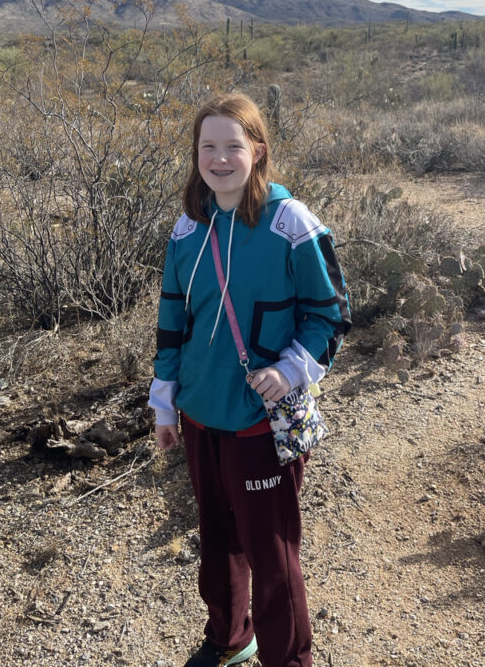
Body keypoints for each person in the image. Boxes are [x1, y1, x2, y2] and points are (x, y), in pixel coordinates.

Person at [149, 93, 351, 667]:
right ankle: (229, 638)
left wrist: (291, 370)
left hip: (260, 420)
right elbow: (172, 320)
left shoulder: (290, 223)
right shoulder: (188, 227)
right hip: (200, 412)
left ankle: (288, 661)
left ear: (256, 152)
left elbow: (330, 312)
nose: (218, 158)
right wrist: (165, 403)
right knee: (216, 540)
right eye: (206, 146)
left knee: (273, 553)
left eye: (232, 146)